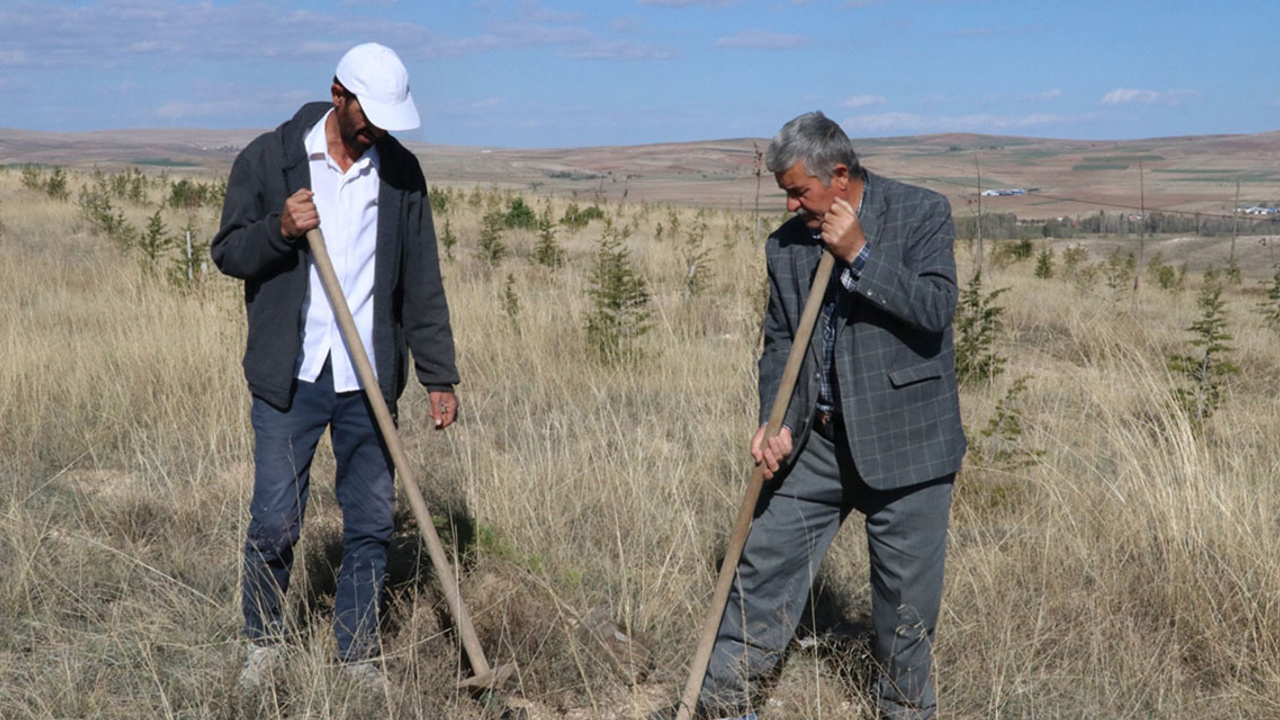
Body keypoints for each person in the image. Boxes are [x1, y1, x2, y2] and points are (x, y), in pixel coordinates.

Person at [687, 111, 967, 720]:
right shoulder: (786, 247)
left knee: (904, 606)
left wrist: (859, 254)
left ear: (839, 176)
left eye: (798, 190)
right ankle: (720, 704)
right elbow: (782, 343)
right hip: (817, 440)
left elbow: (935, 308)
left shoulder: (920, 213)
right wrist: (777, 419)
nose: (790, 205)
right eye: (785, 192)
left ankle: (903, 713)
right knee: (761, 568)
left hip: (908, 441)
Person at [212, 42, 459, 688]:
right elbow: (229, 251)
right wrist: (281, 231)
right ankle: (263, 645)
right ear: (337, 94)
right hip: (290, 374)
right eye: (367, 112)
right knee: (275, 517)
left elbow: (422, 282)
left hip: (367, 379)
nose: (374, 127)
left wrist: (439, 376)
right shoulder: (272, 159)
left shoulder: (401, 174)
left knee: (373, 521)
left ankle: (356, 653)